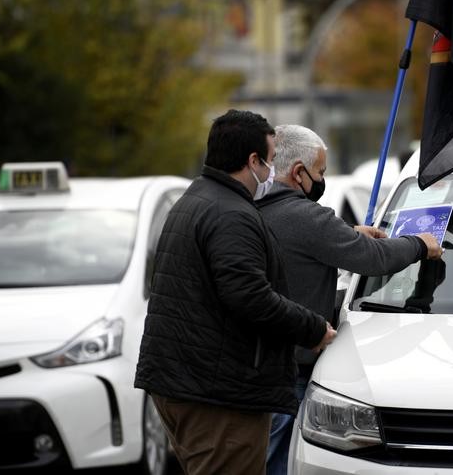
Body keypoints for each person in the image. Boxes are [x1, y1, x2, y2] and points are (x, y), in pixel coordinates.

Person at [134, 111, 337, 475]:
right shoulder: (230, 214)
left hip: (186, 384)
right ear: (252, 161)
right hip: (218, 395)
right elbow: (250, 295)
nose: (274, 171)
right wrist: (313, 328)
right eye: (271, 161)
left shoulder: (197, 200)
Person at [257, 125, 442, 475]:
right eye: (321, 172)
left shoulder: (255, 210)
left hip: (257, 370)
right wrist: (420, 244)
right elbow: (373, 259)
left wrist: (350, 234)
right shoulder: (308, 217)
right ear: (299, 172)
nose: (323, 178)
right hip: (290, 374)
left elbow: (305, 247)